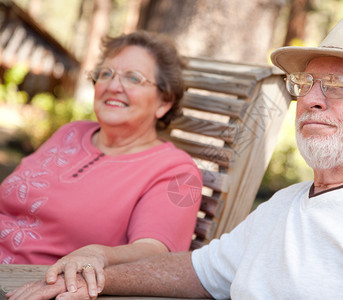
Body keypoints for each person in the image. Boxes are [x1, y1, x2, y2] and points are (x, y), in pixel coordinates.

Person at [7, 12, 343, 300]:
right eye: (307, 85)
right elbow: (201, 272)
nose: (312, 100)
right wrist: (98, 270)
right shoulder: (287, 204)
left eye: (337, 86)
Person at [1, 31, 202, 295]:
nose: (113, 86)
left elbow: (155, 252)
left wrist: (99, 254)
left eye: (133, 78)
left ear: (164, 102)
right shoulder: (71, 132)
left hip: (30, 285)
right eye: (106, 74)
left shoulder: (176, 172)